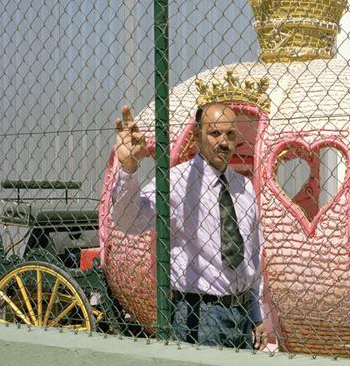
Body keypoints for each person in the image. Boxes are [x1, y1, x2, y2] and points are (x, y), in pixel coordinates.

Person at [110, 102, 268, 349]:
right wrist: (128, 168)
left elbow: (253, 256)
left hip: (242, 314)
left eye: (230, 134)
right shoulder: (177, 182)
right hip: (199, 315)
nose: (224, 142)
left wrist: (256, 312)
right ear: (196, 136)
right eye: (214, 133)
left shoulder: (243, 186)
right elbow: (127, 221)